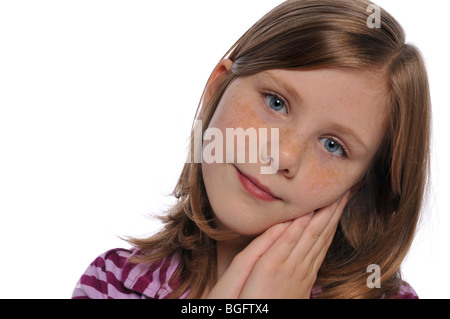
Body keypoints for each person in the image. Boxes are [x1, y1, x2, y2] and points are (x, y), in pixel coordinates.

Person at [72, 0, 430, 299]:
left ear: (361, 183)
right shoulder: (113, 282)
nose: (283, 155)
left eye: (333, 145)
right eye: (275, 103)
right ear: (217, 88)